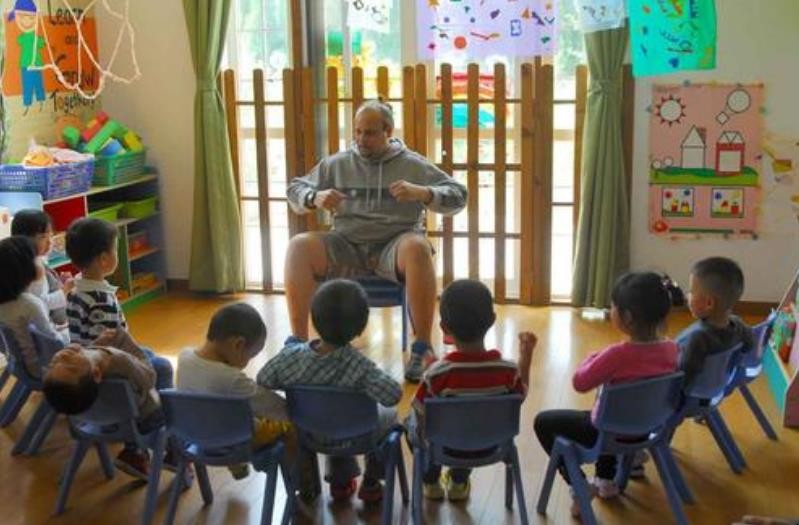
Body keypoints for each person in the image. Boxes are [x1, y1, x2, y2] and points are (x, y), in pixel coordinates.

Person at [284, 99, 468, 382]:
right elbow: (295, 188)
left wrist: (423, 193)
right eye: (357, 132)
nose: (361, 140)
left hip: (394, 246)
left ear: (388, 131)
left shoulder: (412, 165)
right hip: (346, 244)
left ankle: (422, 347)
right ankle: (297, 344)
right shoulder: (337, 163)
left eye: (369, 133)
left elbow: (458, 195)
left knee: (418, 246)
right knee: (298, 246)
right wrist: (314, 197)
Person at [533, 272, 680, 518]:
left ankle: (579, 485)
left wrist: (593, 357)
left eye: (613, 306)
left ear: (627, 317)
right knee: (614, 405)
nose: (611, 309)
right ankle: (606, 479)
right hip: (648, 428)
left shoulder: (617, 354)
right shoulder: (672, 349)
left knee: (544, 422)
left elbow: (580, 382)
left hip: (605, 433)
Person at [257, 279, 402, 503]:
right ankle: (371, 482)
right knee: (388, 418)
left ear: (314, 320)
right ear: (360, 329)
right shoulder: (360, 367)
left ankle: (337, 481)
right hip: (358, 436)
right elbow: (392, 395)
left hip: (309, 434)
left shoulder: (292, 357)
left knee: (327, 416)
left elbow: (263, 379)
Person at [408, 279, 536, 501]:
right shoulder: (506, 370)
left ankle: (430, 480)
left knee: (408, 422)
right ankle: (459, 481)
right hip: (491, 445)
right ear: (492, 320)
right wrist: (525, 358)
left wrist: (430, 373)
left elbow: (421, 411)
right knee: (472, 422)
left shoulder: (438, 374)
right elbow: (520, 396)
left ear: (444, 328)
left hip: (445, 448)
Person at [176, 302, 292, 479]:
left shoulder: (184, 356)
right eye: (250, 356)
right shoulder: (231, 379)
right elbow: (273, 406)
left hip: (193, 435)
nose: (247, 363)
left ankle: (236, 467)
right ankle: (301, 487)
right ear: (238, 345)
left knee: (223, 409)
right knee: (288, 425)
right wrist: (298, 411)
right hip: (233, 441)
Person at [65, 217, 173, 389]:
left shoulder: (75, 288)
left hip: (88, 354)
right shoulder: (101, 301)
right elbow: (105, 346)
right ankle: (158, 410)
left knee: (148, 353)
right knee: (162, 366)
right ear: (104, 259)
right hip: (107, 366)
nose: (118, 253)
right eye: (115, 249)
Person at [43, 329, 164, 479]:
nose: (64, 356)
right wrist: (124, 341)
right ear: (96, 374)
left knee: (150, 354)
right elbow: (149, 378)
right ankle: (160, 451)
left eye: (53, 364)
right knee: (163, 367)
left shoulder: (77, 387)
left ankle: (135, 452)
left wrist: (97, 344)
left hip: (96, 418)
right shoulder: (120, 361)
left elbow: (88, 357)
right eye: (70, 367)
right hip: (143, 419)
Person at [677, 256, 754, 388]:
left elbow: (680, 379)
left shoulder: (696, 339)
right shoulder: (739, 326)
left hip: (692, 399)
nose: (687, 296)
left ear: (709, 303)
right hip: (719, 388)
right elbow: (749, 345)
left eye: (691, 292)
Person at [0, 236, 69, 377]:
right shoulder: (30, 304)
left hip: (19, 364)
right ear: (24, 268)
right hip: (44, 369)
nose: (41, 261)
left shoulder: (7, 302)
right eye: (36, 258)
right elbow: (55, 343)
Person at [11, 209, 74, 327]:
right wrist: (65, 290)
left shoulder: (29, 259)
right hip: (37, 329)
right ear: (23, 239)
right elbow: (39, 304)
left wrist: (61, 283)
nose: (50, 242)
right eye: (43, 237)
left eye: (51, 235)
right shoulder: (32, 268)